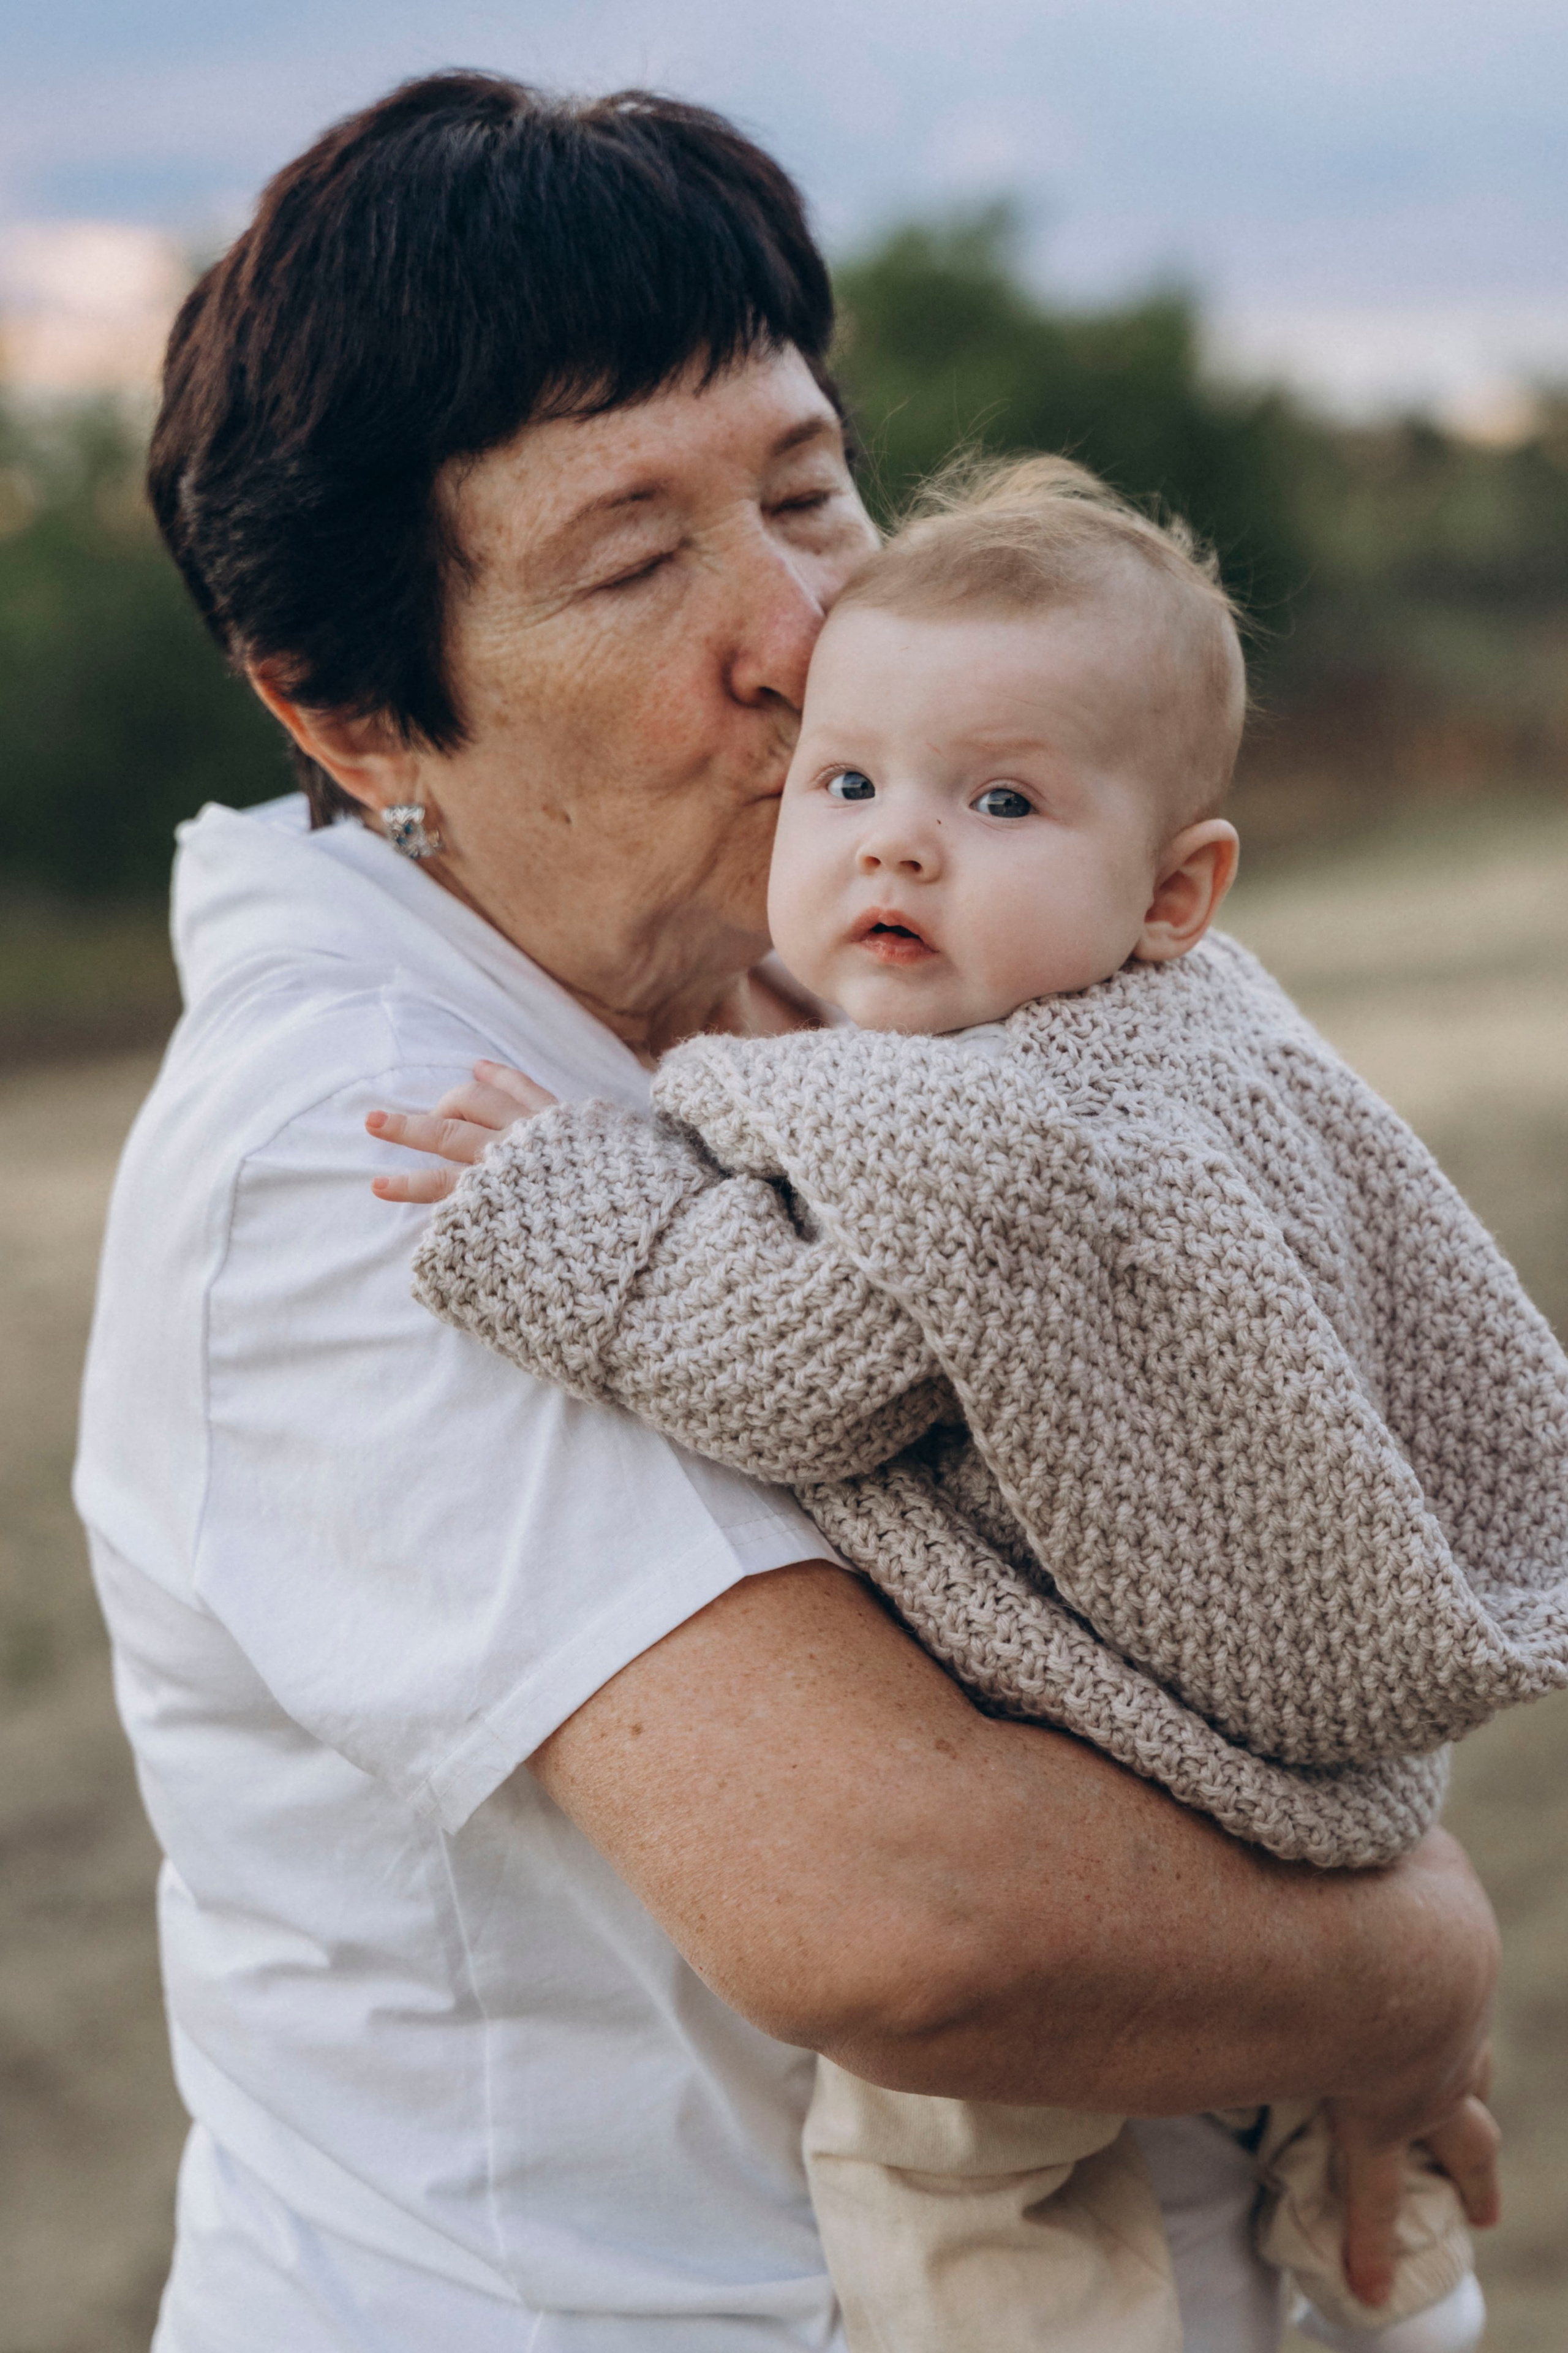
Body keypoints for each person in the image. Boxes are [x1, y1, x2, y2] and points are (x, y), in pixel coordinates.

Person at [74, 70, 1500, 2353]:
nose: (801, 624)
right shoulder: (359, 1151)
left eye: (812, 487)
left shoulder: (950, 949)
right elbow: (900, 1913)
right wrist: (1413, 1954)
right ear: (355, 718)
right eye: (637, 563)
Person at [383, 455, 1564, 2353]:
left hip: (1121, 1767)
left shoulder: (979, 1134)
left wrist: (579, 1213)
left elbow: (795, 1370)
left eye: (1000, 800)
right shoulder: (1204, 1030)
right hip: (1312, 1780)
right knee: (1330, 2149)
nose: (897, 847)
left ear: (1176, 889)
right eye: (848, 786)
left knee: (950, 2164)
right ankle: (1399, 2294)